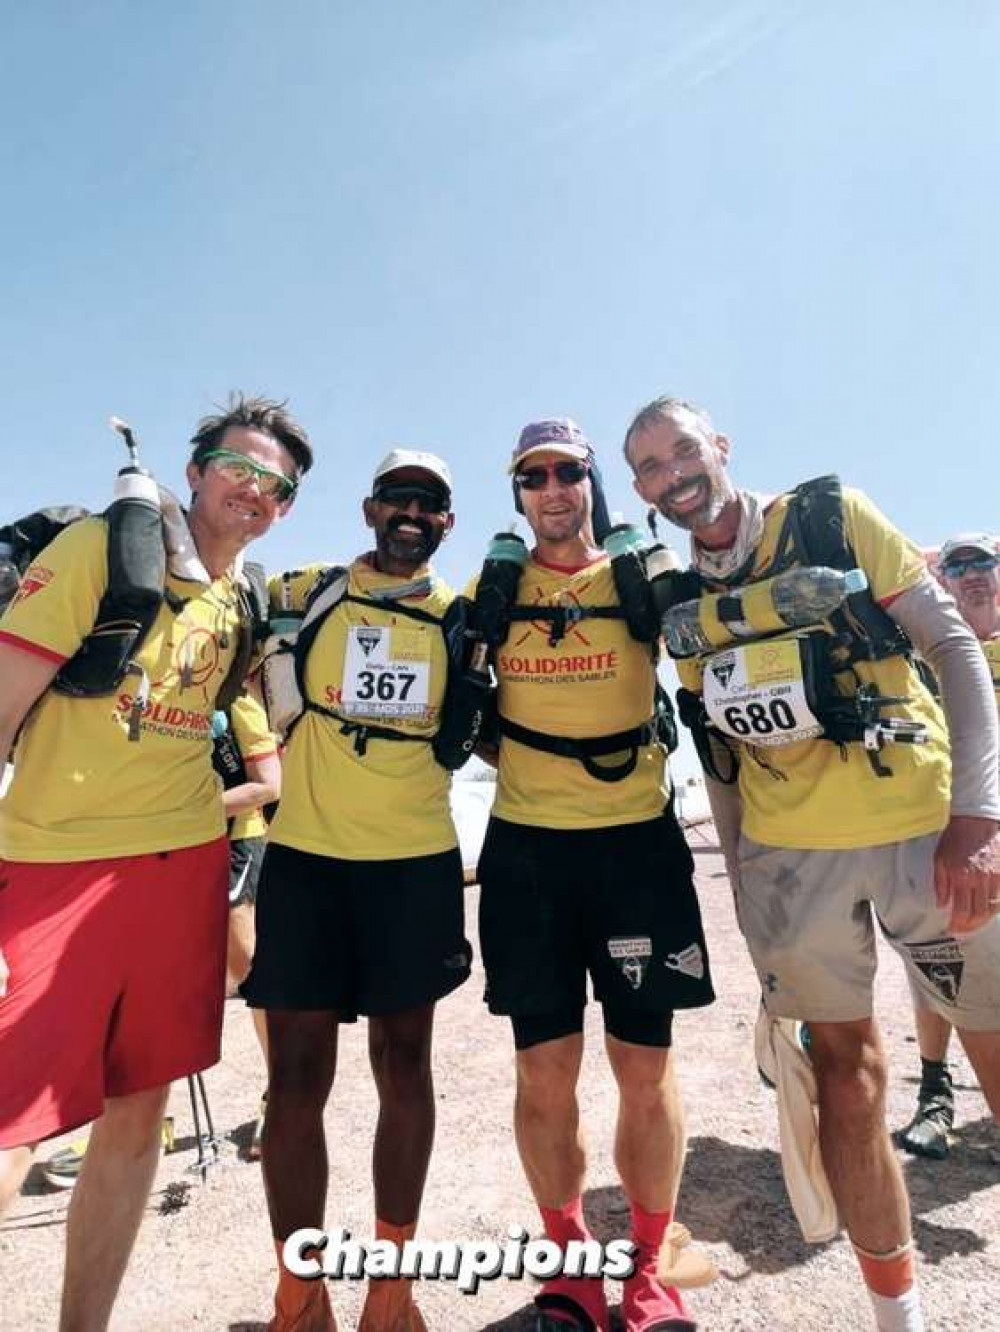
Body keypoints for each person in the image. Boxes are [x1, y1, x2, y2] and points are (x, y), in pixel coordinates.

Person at [624, 395, 1000, 1332]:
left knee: (996, 1041)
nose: (672, 474)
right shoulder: (679, 602)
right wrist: (746, 875)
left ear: (721, 445)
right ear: (639, 489)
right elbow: (717, 750)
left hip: (923, 830)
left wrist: (980, 813)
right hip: (794, 860)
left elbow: (954, 646)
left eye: (682, 450)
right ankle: (896, 1317)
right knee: (846, 1076)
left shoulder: (832, 515)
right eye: (649, 467)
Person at [0, 394, 311, 1330]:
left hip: (183, 876)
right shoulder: (106, 547)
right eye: (239, 469)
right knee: (12, 1119)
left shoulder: (240, 602)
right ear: (195, 470)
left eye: (277, 486)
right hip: (56, 863)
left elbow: (260, 754)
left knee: (138, 1110)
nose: (254, 493)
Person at [472, 419, 715, 1332]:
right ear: (520, 496)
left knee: (644, 1070)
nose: (552, 488)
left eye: (567, 471)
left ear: (590, 482)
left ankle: (648, 1272)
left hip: (635, 848)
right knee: (544, 1073)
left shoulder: (635, 578)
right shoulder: (494, 592)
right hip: (529, 854)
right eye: (532, 476)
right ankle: (572, 1269)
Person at [244, 449, 472, 1332]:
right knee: (295, 1081)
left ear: (447, 523)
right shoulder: (305, 593)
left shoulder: (464, 618)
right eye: (399, 498)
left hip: (413, 864)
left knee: (404, 1068)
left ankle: (393, 1289)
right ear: (371, 507)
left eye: (432, 504)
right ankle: (300, 1297)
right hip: (305, 859)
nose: (413, 513)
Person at [897, 532, 1000, 1158]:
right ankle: (935, 1090)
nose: (971, 576)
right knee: (937, 964)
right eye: (956, 567)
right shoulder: (927, 652)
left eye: (982, 563)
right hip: (950, 827)